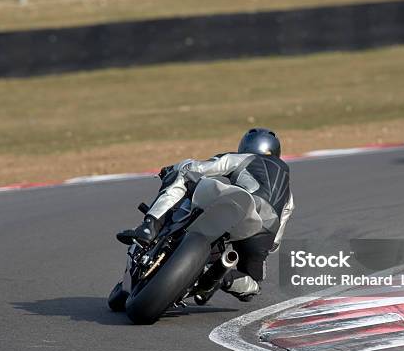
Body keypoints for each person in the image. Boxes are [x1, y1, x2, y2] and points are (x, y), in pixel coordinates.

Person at [117, 128, 294, 301]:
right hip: (265, 231)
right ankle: (221, 276)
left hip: (241, 204)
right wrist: (261, 247)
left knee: (183, 171)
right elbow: (275, 243)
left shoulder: (243, 157)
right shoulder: (288, 192)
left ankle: (150, 225)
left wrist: (170, 170)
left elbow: (199, 168)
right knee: (253, 286)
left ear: (246, 146)